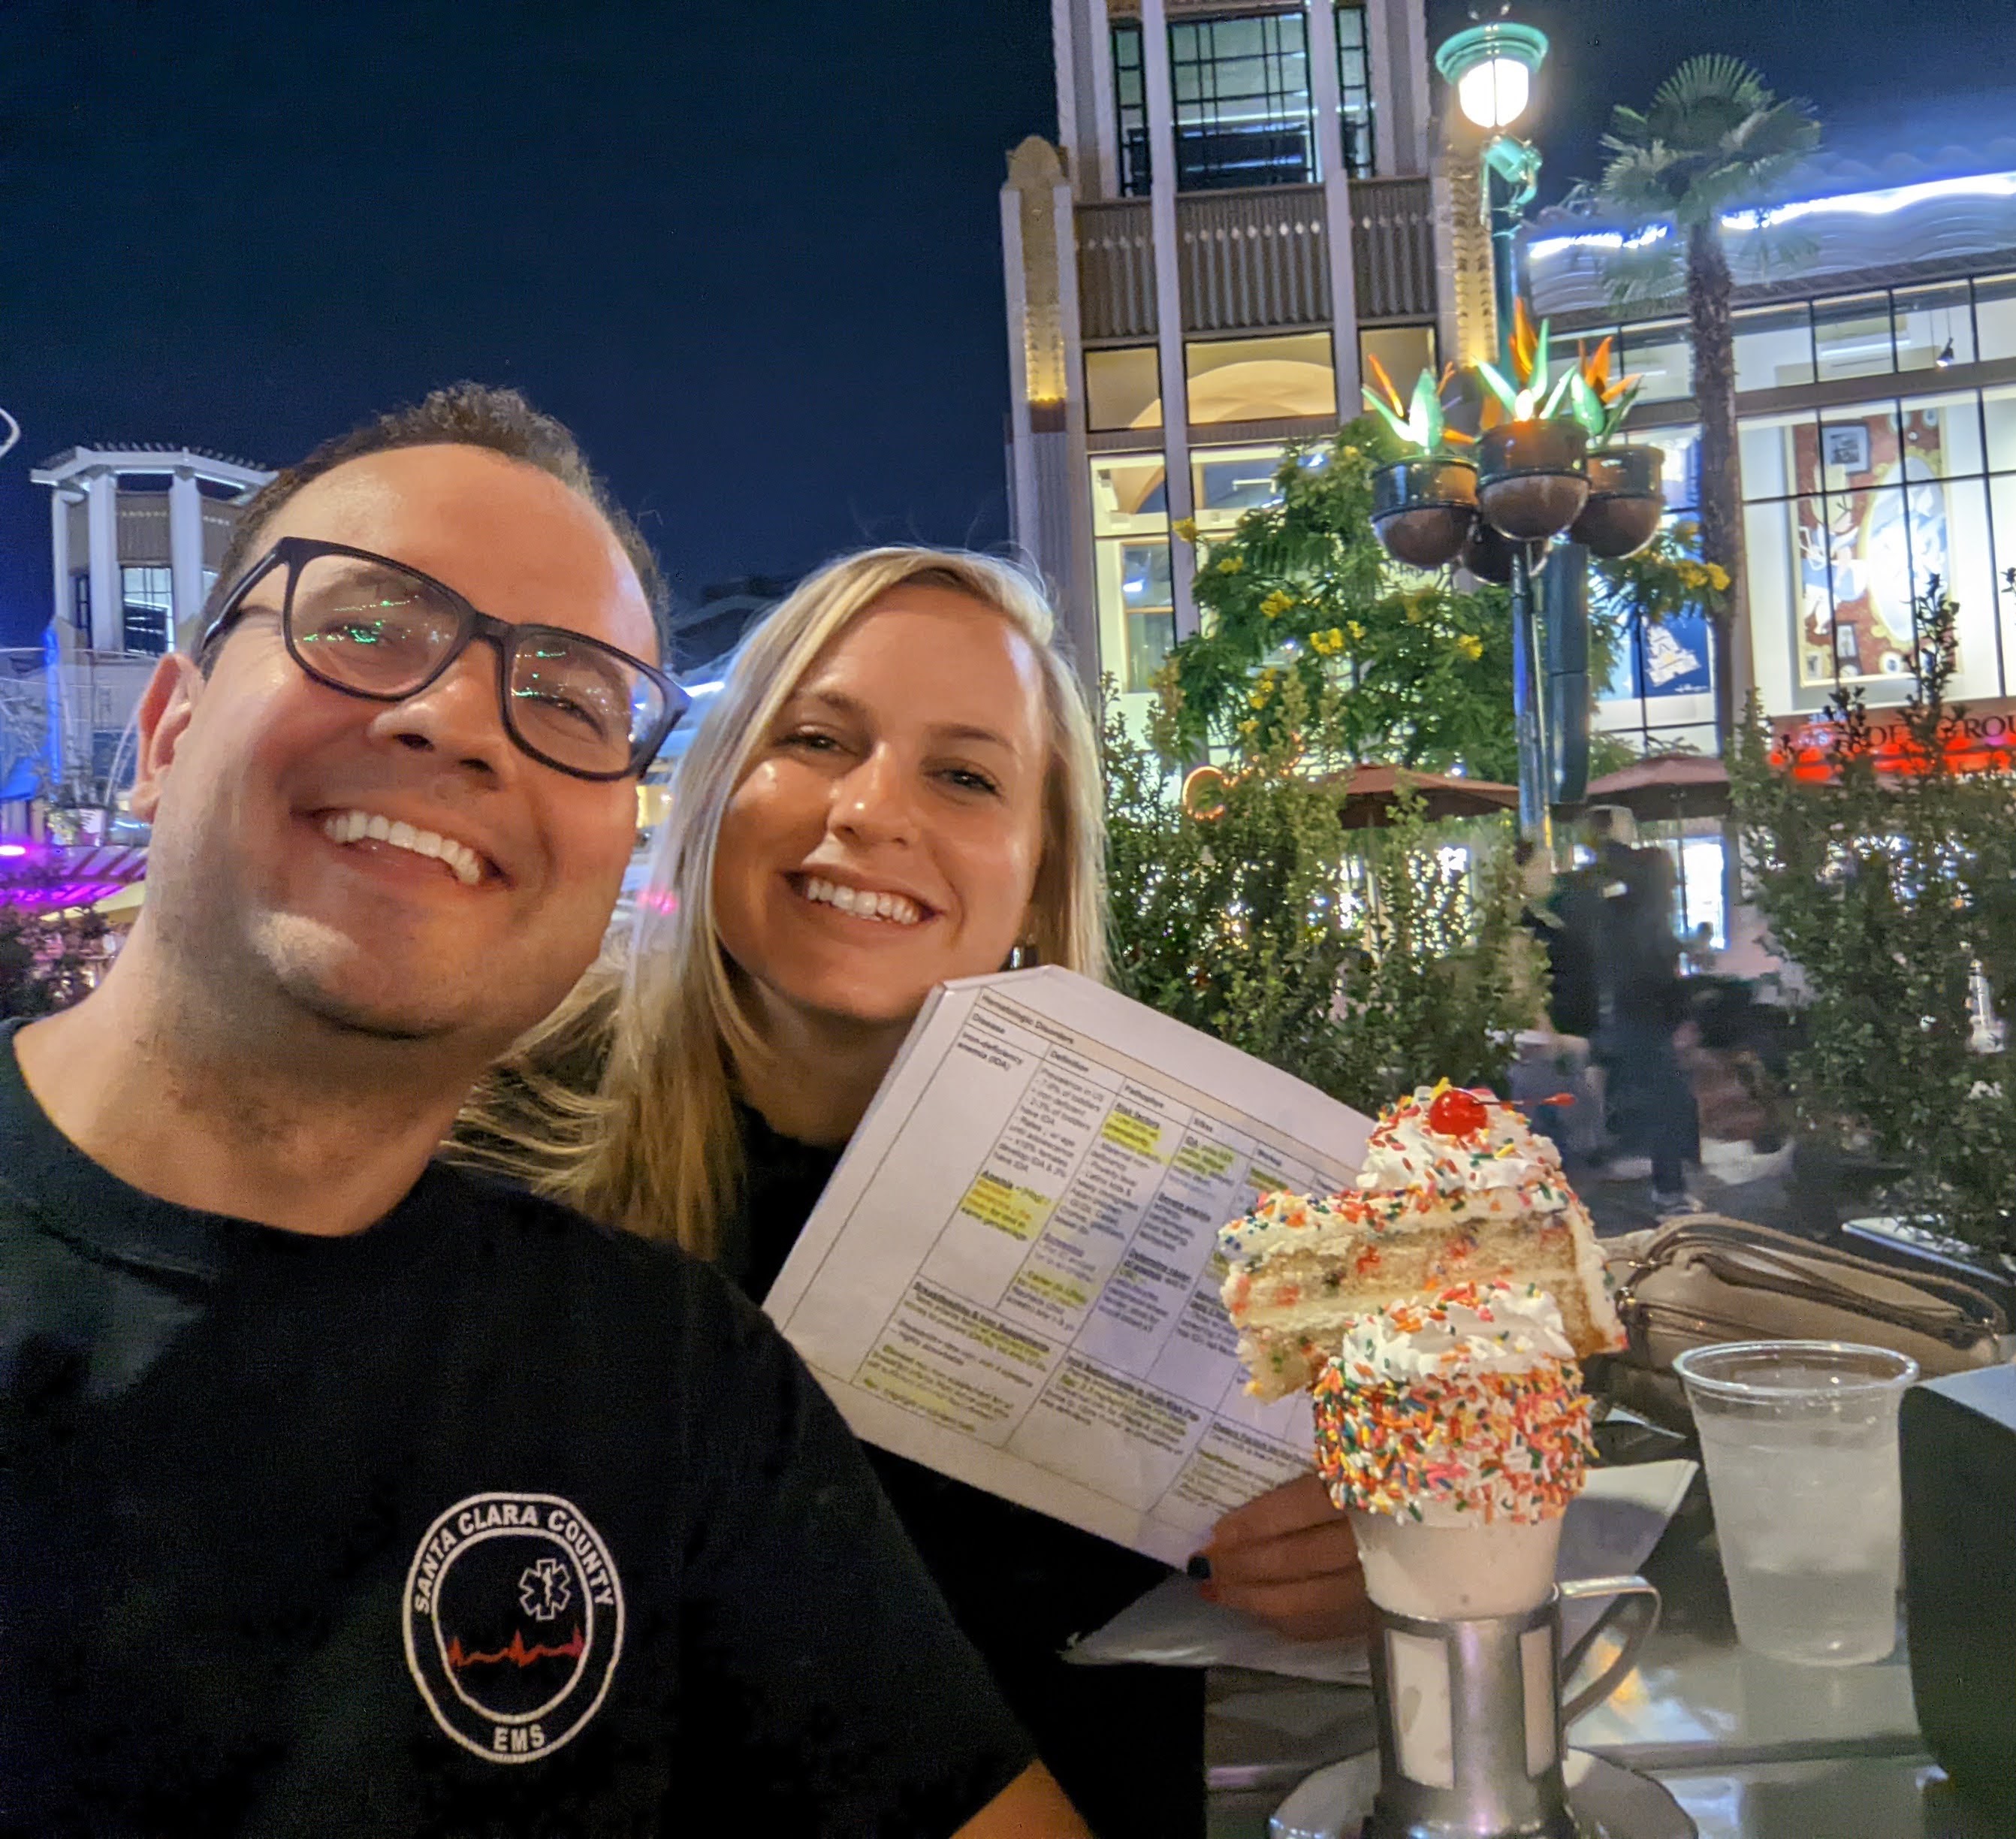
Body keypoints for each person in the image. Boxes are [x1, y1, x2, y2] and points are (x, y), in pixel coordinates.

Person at [0, 387, 1091, 1837]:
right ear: (167, 728)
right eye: (368, 626)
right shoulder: (589, 1218)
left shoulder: (668, 1366)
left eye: (568, 698)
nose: (456, 718)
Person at [457, 545, 1369, 1837]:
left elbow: (1440, 1502)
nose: (873, 811)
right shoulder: (493, 1137)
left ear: (1036, 868)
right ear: (718, 783)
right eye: (818, 738)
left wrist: (1373, 1548)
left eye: (962, 774)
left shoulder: (1200, 1184)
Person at [1595, 843, 1704, 1215]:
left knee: (1663, 1105)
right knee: (1669, 1107)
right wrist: (1680, 1016)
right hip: (1651, 1024)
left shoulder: (1619, 915)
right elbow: (1659, 977)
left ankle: (1667, 1185)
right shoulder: (1652, 921)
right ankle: (1669, 1191)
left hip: (1630, 1022)